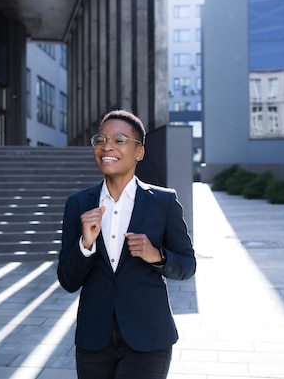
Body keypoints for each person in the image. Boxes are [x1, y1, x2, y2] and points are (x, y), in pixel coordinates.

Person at [57, 109, 197, 379]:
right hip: (93, 340)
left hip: (148, 338)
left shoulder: (163, 202)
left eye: (119, 140)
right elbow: (67, 280)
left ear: (139, 152)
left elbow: (188, 265)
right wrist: (86, 244)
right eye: (100, 140)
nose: (106, 146)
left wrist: (157, 255)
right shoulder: (78, 204)